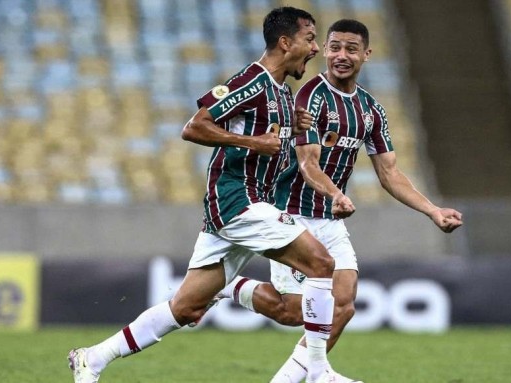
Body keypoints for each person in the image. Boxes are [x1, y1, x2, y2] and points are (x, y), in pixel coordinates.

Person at [67, 7, 352, 383]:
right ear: (286, 42)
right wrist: (251, 141)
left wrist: (292, 127)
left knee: (184, 308)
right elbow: (194, 127)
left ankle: (93, 358)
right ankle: (317, 373)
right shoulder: (251, 82)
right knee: (322, 263)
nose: (316, 48)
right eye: (310, 38)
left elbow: (272, 141)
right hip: (237, 200)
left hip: (249, 204)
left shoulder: (283, 91)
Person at [211, 19, 464, 383]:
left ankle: (298, 379)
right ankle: (228, 285)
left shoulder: (370, 110)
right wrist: (335, 193)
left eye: (350, 49)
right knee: (294, 312)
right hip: (292, 215)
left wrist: (433, 210)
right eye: (334, 47)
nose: (340, 56)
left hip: (329, 220)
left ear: (366, 54)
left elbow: (390, 173)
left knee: (342, 306)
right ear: (325, 50)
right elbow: (307, 162)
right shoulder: (309, 96)